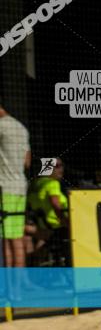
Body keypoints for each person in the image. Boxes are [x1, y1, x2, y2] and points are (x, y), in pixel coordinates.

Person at [0, 97, 31, 268]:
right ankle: (17, 291)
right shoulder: (21, 127)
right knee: (17, 239)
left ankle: (9, 289)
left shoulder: (2, 126)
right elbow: (27, 162)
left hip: (6, 188)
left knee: (7, 241)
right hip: (20, 186)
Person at [26, 157, 69, 265]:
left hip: (42, 225)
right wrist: (65, 221)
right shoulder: (52, 184)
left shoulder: (35, 183)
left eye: (62, 165)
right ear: (48, 168)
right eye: (57, 166)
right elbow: (55, 204)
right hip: (56, 225)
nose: (61, 169)